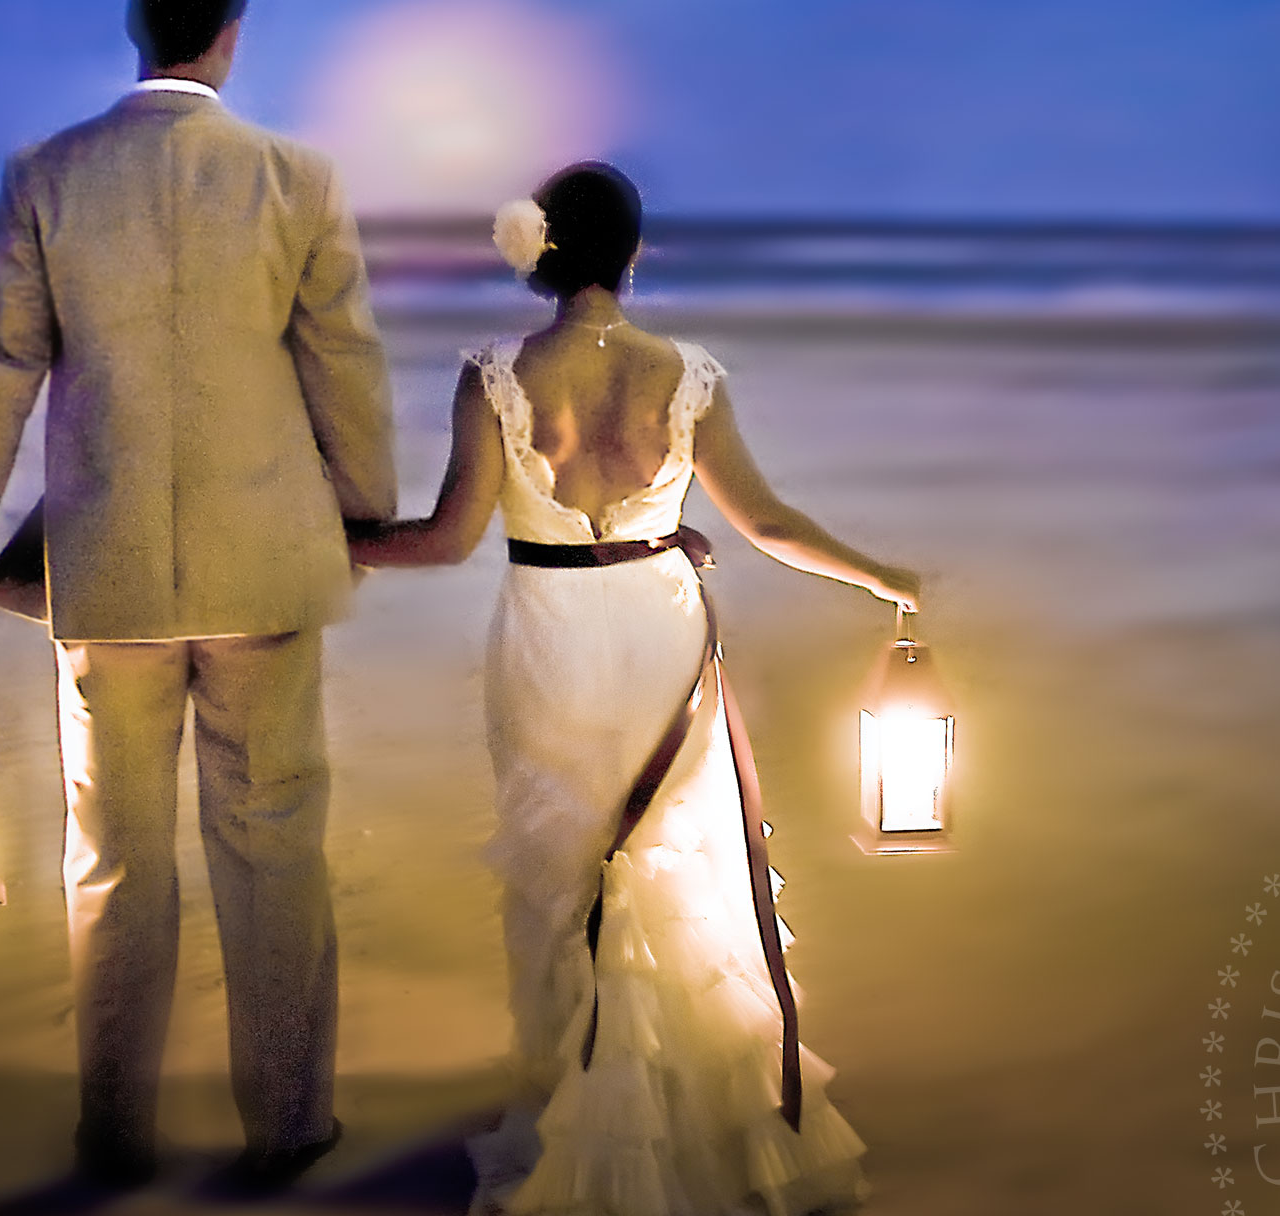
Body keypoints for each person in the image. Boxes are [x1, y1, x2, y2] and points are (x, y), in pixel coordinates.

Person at [0, 0, 396, 1194]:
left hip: (109, 579)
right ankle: (289, 1128)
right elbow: (341, 362)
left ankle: (114, 1136)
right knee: (274, 849)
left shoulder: (49, 175)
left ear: (135, 27)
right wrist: (365, 516)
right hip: (266, 570)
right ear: (232, 34)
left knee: (114, 860)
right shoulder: (295, 176)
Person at [350, 162, 917, 1215]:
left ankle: (583, 1103)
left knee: (562, 869)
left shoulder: (495, 375)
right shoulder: (687, 374)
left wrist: (328, 545)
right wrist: (886, 577)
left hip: (551, 641)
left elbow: (443, 541)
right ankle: (698, 1115)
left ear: (539, 255)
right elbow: (772, 525)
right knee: (673, 861)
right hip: (660, 625)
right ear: (635, 254)